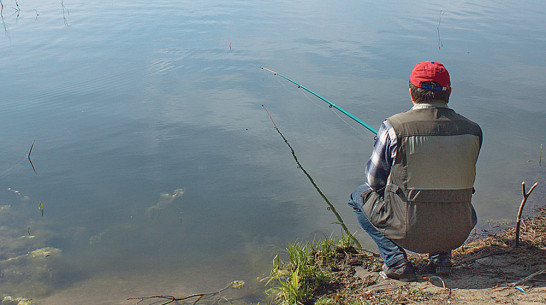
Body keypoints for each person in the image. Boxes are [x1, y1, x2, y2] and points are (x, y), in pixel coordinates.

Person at [348, 61, 482, 282]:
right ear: (449, 92)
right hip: (459, 230)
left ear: (411, 92)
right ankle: (441, 259)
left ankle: (395, 262)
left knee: (357, 196)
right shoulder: (474, 130)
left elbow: (374, 182)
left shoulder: (393, 127)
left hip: (409, 230)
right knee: (447, 186)